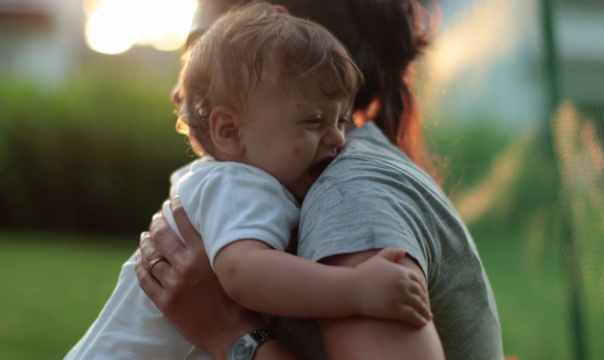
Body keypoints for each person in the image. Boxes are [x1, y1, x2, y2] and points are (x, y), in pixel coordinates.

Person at [138, 0, 504, 359]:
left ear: (270, 19)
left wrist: (229, 333)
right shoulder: (303, 176)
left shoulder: (348, 193)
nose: (177, 91)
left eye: (198, 48)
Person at [64, 3, 432, 359]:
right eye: (314, 121)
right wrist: (356, 289)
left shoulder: (322, 183)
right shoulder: (238, 184)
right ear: (229, 130)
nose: (338, 139)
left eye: (339, 120)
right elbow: (245, 273)